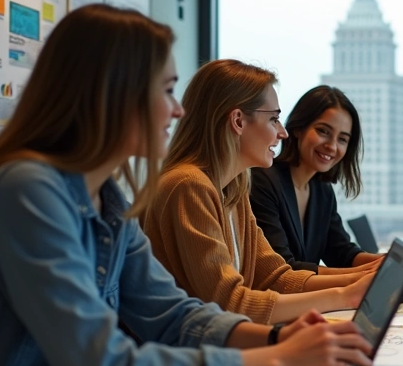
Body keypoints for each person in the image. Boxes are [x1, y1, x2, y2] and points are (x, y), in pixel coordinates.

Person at [0, 6, 373, 366]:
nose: (177, 110)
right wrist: (277, 361)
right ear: (115, 93)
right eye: (166, 90)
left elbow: (175, 316)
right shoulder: (27, 192)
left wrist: (277, 339)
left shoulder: (106, 199)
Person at [141, 60, 372, 325]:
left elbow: (275, 277)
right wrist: (345, 295)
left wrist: (361, 281)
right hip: (197, 358)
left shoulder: (234, 188)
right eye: (273, 119)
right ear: (238, 120)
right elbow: (230, 303)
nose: (282, 132)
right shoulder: (189, 186)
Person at [250, 85, 382, 273]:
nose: (332, 146)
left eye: (342, 139)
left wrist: (383, 263)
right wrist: (365, 275)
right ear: (298, 129)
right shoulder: (263, 181)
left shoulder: (322, 189)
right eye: (323, 131)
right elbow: (284, 268)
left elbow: (341, 252)